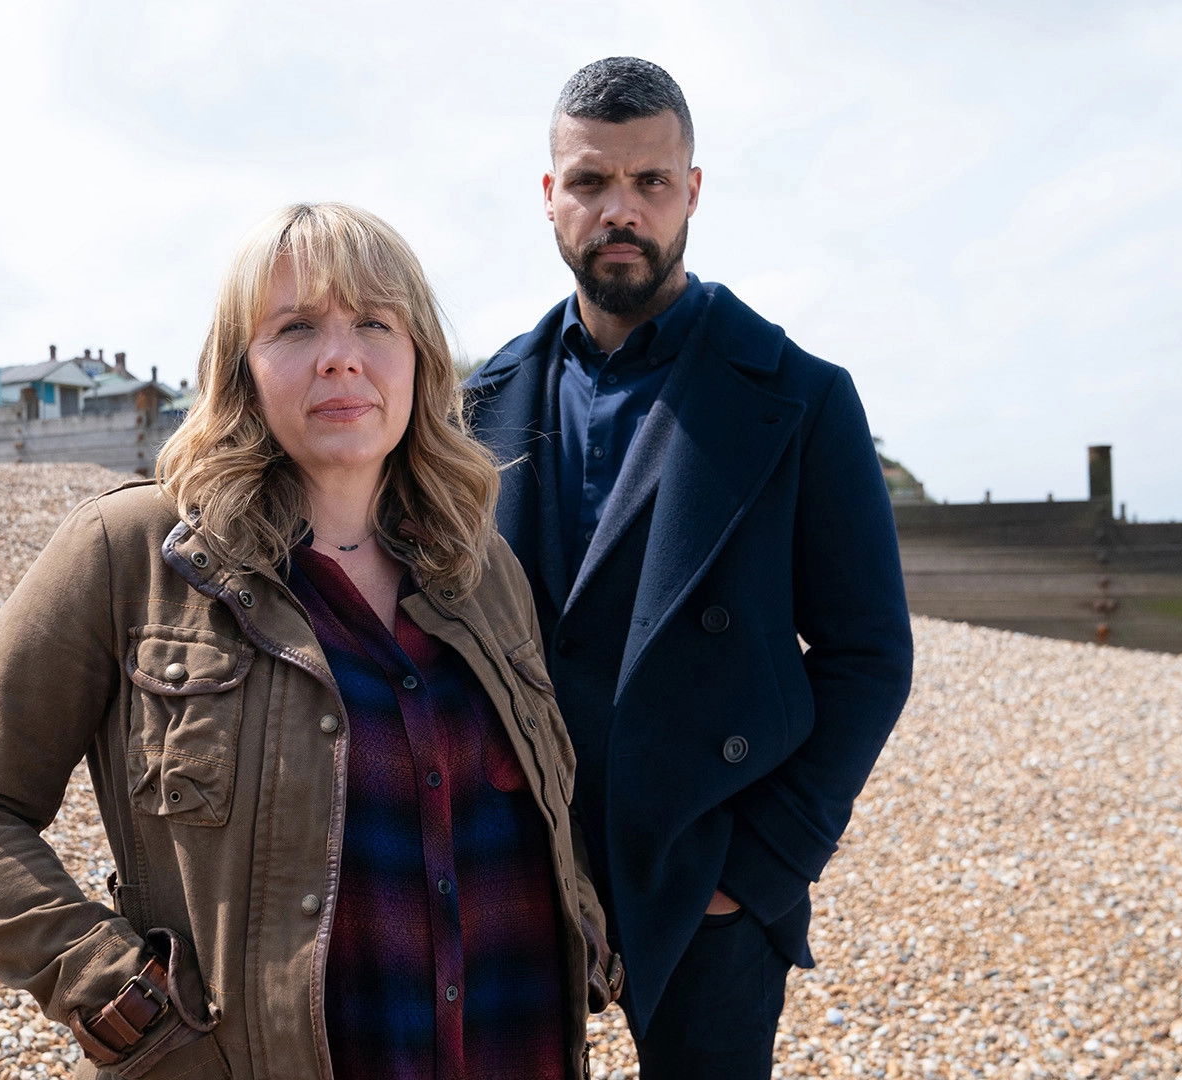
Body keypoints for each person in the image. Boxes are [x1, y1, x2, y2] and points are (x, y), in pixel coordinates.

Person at [0, 202, 618, 1080]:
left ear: (420, 357)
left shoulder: (484, 567)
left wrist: (584, 926)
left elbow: (542, 799)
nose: (340, 354)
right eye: (296, 326)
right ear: (241, 368)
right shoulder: (134, 553)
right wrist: (117, 998)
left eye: (373, 322)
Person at [464, 57, 914, 1079]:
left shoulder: (802, 396)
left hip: (707, 873)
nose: (619, 209)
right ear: (549, 197)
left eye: (650, 182)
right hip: (515, 867)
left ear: (692, 192)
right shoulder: (474, 407)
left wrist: (760, 867)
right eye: (589, 183)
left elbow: (869, 654)